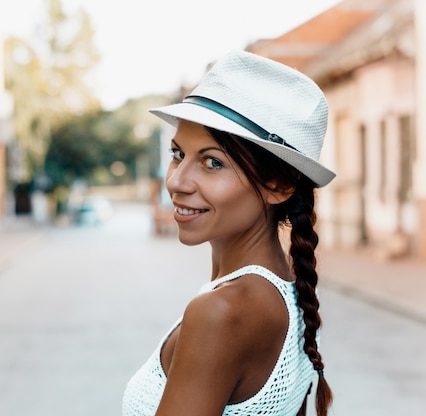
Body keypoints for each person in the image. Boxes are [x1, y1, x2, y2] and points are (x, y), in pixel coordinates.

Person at [122, 50, 335, 416]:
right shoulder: (281, 287)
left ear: (278, 184)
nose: (176, 181)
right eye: (178, 153)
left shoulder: (221, 312)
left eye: (212, 162)